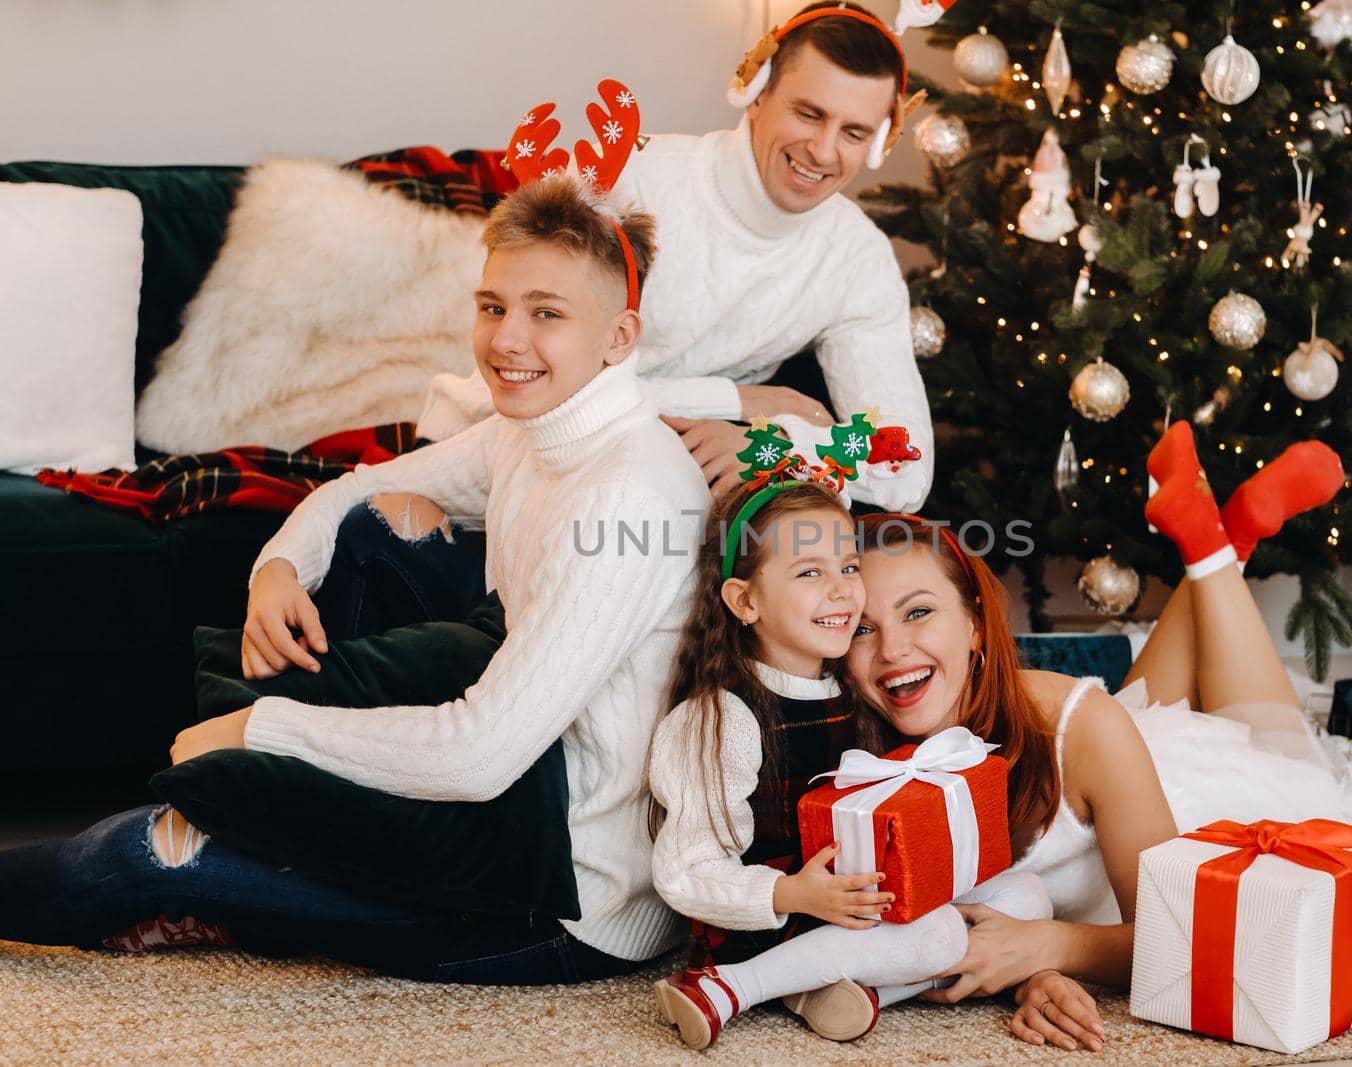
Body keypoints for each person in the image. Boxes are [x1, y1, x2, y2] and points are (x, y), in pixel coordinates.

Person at [0, 174, 711, 985]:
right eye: (493, 306)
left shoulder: (623, 495)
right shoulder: (537, 429)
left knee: (147, 851)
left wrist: (263, 730)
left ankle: (245, 863)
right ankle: (267, 851)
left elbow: (479, 754)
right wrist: (276, 570)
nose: (508, 340)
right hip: (509, 798)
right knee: (364, 539)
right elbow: (353, 489)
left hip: (557, 893)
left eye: (547, 313)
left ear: (619, 337)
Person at [843, 423, 1352, 1051]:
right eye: (861, 628)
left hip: (1181, 813)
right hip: (1127, 746)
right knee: (1139, 712)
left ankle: (1219, 550)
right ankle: (1221, 543)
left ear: (975, 623)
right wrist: (1033, 975)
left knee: (1274, 741)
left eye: (919, 611)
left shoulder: (1079, 730)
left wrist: (1049, 947)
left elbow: (1179, 936)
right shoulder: (846, 745)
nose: (891, 650)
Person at [416, 1, 935, 510]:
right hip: (485, 445)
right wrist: (739, 402)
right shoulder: (631, 180)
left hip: (628, 474)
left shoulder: (858, 259)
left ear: (879, 142)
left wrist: (767, 450)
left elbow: (904, 465)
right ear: (756, 93)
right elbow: (537, 385)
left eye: (853, 133)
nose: (823, 151)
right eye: (808, 113)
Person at [647, 477, 1060, 1051]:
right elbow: (682, 872)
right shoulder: (722, 719)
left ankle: (848, 989)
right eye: (809, 572)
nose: (842, 592)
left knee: (1026, 896)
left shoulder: (852, 689)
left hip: (849, 910)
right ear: (745, 601)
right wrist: (792, 894)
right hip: (774, 922)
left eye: (846, 568)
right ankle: (728, 989)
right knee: (943, 933)